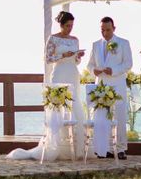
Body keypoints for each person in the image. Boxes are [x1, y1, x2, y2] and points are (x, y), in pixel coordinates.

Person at [7, 11, 86, 161]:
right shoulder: (53, 39)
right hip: (59, 73)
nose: (70, 28)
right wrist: (63, 55)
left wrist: (77, 57)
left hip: (72, 73)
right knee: (57, 109)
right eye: (67, 26)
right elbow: (48, 58)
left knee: (75, 107)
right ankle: (55, 145)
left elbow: (75, 61)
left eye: (72, 26)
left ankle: (77, 148)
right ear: (61, 25)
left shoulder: (75, 39)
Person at [87, 16, 133, 159]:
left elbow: (128, 64)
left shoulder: (123, 43)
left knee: (119, 116)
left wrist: (112, 70)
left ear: (114, 28)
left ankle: (120, 149)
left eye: (108, 30)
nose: (105, 33)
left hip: (117, 84)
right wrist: (93, 70)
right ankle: (104, 148)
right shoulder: (95, 45)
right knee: (102, 117)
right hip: (101, 86)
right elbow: (89, 64)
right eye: (102, 30)